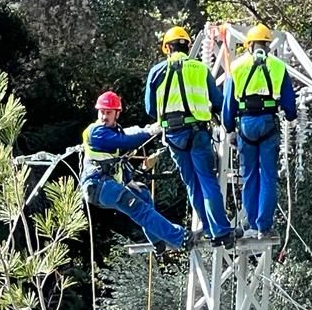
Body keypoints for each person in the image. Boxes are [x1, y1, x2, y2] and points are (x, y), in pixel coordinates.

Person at [145, 26, 238, 248]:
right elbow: (217, 102)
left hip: (174, 136)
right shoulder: (199, 69)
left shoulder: (156, 72)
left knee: (192, 184)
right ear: (187, 47)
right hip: (197, 133)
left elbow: (150, 109)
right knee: (207, 181)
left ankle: (208, 228)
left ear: (167, 48)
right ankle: (221, 232)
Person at [81, 90, 189, 253]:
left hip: (108, 184)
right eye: (102, 112)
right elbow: (126, 141)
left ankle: (157, 241)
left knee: (143, 195)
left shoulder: (113, 130)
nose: (104, 117)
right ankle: (180, 238)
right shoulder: (96, 132)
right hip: (100, 187)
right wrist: (151, 131)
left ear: (117, 114)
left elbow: (117, 158)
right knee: (140, 210)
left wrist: (128, 180)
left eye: (108, 113)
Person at [222, 23, 298, 239]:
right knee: (268, 176)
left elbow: (229, 103)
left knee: (249, 175)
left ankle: (249, 223)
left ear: (249, 45)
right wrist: (291, 120)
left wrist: (229, 130)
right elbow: (289, 102)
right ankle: (263, 226)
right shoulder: (277, 66)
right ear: (268, 45)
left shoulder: (237, 67)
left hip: (246, 124)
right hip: (267, 123)